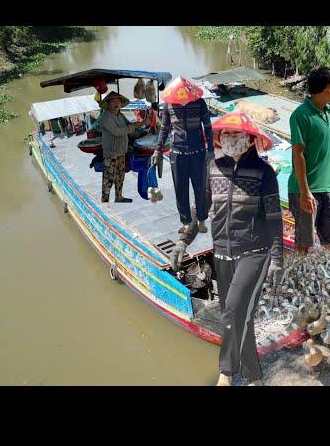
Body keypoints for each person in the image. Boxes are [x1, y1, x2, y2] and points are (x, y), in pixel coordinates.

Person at [205, 112, 284, 386]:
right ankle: (253, 375)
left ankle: (226, 372)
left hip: (255, 252)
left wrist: (277, 260)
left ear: (251, 140)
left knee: (232, 310)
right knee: (243, 316)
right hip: (222, 253)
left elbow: (274, 219)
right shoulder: (213, 168)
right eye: (225, 134)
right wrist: (186, 232)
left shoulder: (264, 173)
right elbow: (206, 207)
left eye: (236, 135)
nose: (230, 139)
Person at [288, 66, 330, 255]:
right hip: (305, 191)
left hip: (327, 188)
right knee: (304, 243)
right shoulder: (301, 115)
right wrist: (305, 192)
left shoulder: (326, 111)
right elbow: (298, 154)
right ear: (327, 88)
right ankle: (298, 279)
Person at [152, 79, 214, 234]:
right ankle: (186, 222)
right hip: (177, 153)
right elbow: (164, 129)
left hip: (198, 153)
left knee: (200, 188)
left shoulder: (199, 103)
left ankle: (201, 219)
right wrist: (157, 150)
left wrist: (211, 150)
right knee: (181, 189)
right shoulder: (169, 105)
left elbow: (207, 127)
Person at [100, 91, 148, 202]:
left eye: (118, 101)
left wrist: (143, 124)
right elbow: (116, 132)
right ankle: (105, 200)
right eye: (113, 101)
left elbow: (130, 126)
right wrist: (133, 126)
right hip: (111, 153)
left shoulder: (120, 115)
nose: (116, 103)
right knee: (109, 177)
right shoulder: (106, 117)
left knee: (120, 176)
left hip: (121, 151)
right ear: (108, 104)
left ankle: (119, 197)